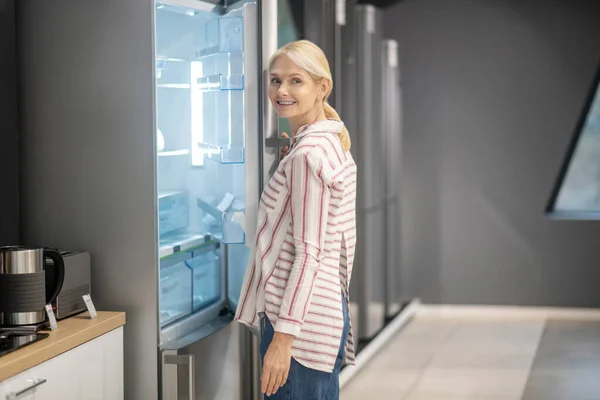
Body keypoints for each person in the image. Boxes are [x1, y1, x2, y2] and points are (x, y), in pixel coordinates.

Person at [234, 40, 357, 400]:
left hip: (298, 330)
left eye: (295, 81)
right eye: (275, 80)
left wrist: (283, 340)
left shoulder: (308, 155)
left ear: (322, 88)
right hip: (323, 314)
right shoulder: (330, 142)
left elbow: (310, 253)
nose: (281, 91)